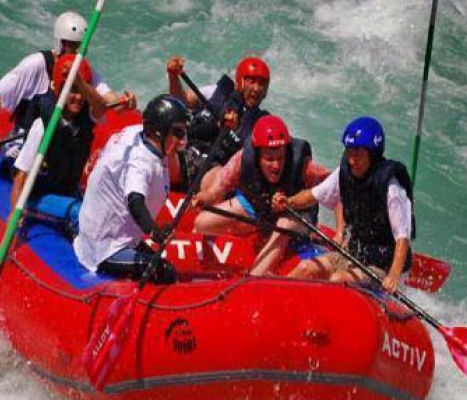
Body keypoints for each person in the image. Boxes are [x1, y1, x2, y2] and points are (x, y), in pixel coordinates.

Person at [272, 116, 415, 295]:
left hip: (381, 266)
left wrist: (393, 277)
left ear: (373, 154)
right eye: (349, 152)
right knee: (306, 267)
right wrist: (289, 201)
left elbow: (402, 238)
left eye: (358, 154)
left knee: (337, 280)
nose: (352, 160)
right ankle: (275, 298)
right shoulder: (345, 173)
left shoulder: (391, 187)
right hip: (355, 254)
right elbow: (312, 196)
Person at [192, 114, 332, 276]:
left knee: (283, 226)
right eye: (269, 159)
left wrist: (340, 231)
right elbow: (215, 192)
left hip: (296, 216)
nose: (276, 165)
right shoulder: (241, 160)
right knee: (202, 222)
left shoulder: (304, 165)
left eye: (280, 158)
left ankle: (253, 278)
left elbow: (337, 184)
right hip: (259, 209)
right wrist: (202, 198)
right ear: (258, 156)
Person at [73, 95, 190, 282]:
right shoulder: (139, 163)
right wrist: (155, 233)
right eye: (178, 133)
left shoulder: (137, 133)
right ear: (159, 132)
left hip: (120, 234)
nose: (183, 141)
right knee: (165, 271)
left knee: (160, 261)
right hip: (105, 247)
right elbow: (135, 200)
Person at [0, 11, 136, 153]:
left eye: (81, 47)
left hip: (58, 141)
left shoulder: (84, 71)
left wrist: (125, 103)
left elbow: (110, 101)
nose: (77, 52)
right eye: (73, 46)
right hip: (25, 137)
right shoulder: (36, 64)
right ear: (60, 43)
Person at [165, 55, 271, 189]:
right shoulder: (217, 92)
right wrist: (173, 77)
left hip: (213, 171)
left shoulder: (262, 125)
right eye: (252, 81)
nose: (256, 88)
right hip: (184, 149)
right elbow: (181, 102)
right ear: (240, 81)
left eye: (262, 83)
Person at [10, 54, 100, 207]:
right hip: (41, 194)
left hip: (68, 191)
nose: (78, 97)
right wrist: (15, 212)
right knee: (79, 213)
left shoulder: (86, 118)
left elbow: (101, 107)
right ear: (59, 89)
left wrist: (80, 82)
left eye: (81, 91)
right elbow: (21, 176)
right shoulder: (42, 126)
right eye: (72, 90)